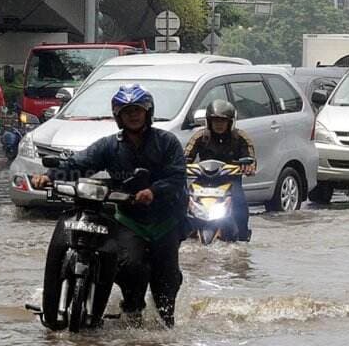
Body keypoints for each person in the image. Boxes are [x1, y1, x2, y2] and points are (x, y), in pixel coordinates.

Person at [31, 84, 188, 328]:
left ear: (148, 112)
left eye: (138, 110)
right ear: (118, 117)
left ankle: (166, 328)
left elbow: (178, 177)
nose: (133, 115)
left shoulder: (167, 142)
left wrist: (153, 191)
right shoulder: (109, 146)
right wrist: (50, 176)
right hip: (128, 219)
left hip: (165, 221)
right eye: (127, 112)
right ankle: (133, 311)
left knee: (165, 281)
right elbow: (80, 163)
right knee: (129, 266)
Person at [184, 99, 256, 241]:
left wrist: (248, 167)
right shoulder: (200, 137)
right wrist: (180, 166)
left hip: (230, 183)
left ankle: (242, 235)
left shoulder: (240, 138)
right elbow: (185, 157)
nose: (219, 124)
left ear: (230, 122)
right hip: (202, 182)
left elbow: (251, 159)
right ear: (209, 121)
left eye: (222, 121)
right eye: (215, 120)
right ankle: (182, 232)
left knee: (240, 203)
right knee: (182, 198)